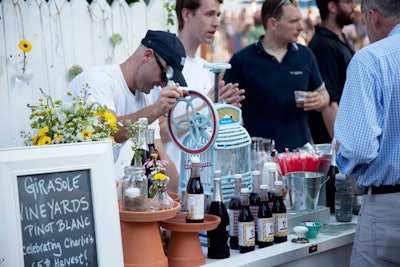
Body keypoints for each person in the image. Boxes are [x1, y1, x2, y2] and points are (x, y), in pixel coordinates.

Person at [66, 30, 187, 192]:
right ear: (148, 55)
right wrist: (157, 109)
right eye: (164, 74)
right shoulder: (99, 80)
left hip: (95, 185)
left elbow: (160, 156)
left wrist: (182, 200)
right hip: (67, 186)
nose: (162, 84)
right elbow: (107, 133)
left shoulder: (146, 100)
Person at [334, 0, 400, 266]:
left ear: (373, 17)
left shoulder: (370, 59)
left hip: (389, 207)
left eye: (363, 21)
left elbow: (360, 148)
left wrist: (342, 159)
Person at [223, 0, 329, 152]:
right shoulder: (242, 60)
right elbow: (224, 110)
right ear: (273, 23)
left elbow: (324, 95)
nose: (301, 26)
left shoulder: (306, 55)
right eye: (294, 21)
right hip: (259, 159)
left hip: (300, 157)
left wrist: (319, 100)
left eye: (300, 20)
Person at [153, 0, 245, 175]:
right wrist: (208, 107)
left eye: (217, 15)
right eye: (209, 14)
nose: (216, 22)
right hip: (172, 184)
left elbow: (210, 132)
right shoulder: (161, 65)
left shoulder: (207, 69)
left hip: (206, 179)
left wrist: (226, 112)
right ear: (186, 15)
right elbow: (158, 132)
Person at [308, 0, 355, 144]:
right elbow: (328, 100)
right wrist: (341, 148)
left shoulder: (339, 37)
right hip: (332, 143)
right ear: (332, 7)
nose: (353, 6)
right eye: (348, 2)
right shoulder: (324, 46)